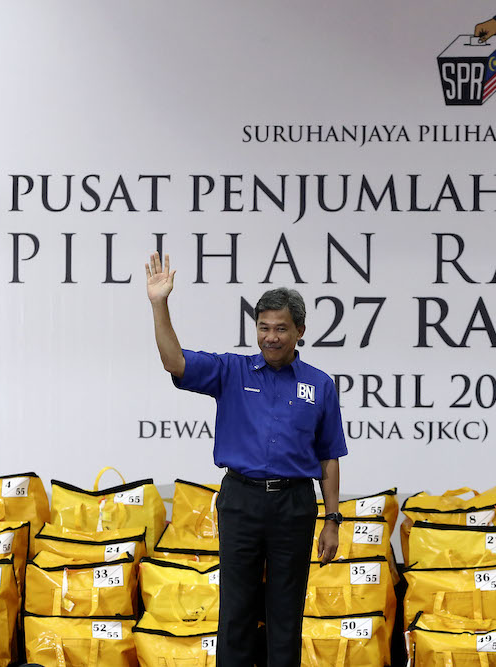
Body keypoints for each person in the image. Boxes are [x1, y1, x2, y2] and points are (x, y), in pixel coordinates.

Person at [145, 252, 347, 666]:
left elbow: (329, 456)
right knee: (236, 609)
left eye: (281, 329)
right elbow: (173, 360)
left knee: (285, 611)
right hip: (241, 499)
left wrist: (332, 519)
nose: (271, 337)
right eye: (263, 328)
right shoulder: (231, 371)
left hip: (294, 503)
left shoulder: (320, 385)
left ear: (300, 331)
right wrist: (159, 303)